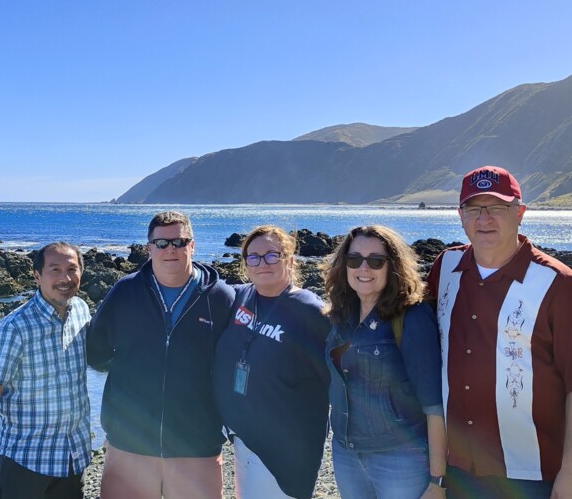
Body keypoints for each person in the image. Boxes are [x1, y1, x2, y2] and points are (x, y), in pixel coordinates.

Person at [426, 166, 572, 499]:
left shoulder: (560, 285)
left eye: (497, 207)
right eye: (474, 208)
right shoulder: (445, 269)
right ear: (461, 215)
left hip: (536, 475)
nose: (484, 219)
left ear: (520, 213)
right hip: (462, 472)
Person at [86, 210, 236, 499]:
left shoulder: (220, 297)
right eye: (162, 243)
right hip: (130, 445)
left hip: (196, 448)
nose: (171, 250)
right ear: (149, 248)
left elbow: (233, 365)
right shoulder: (125, 292)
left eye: (179, 242)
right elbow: (96, 353)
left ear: (192, 245)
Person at [0, 242, 91, 499]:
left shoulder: (82, 311)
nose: (65, 278)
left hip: (73, 458)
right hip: (27, 462)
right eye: (55, 270)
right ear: (37, 276)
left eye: (72, 269)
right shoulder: (14, 329)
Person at [322, 225, 447, 499]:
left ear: (393, 266)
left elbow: (434, 406)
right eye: (354, 259)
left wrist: (437, 481)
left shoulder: (412, 318)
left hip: (400, 459)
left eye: (376, 261)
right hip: (346, 454)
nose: (364, 268)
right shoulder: (341, 315)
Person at [212, 225, 331, 499]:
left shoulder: (309, 311)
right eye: (253, 257)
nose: (262, 263)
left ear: (290, 260)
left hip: (286, 449)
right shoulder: (240, 297)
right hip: (244, 438)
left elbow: (339, 375)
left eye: (272, 255)